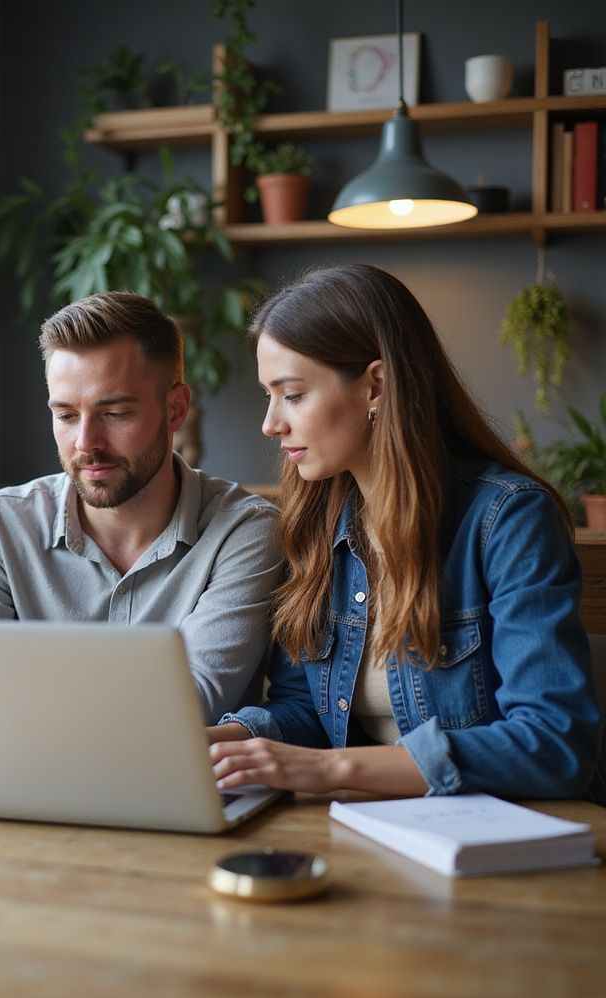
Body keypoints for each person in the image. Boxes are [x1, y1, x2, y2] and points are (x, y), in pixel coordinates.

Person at [209, 264, 602, 800]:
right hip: (369, 824)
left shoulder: (507, 519)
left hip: (501, 836)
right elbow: (304, 709)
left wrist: (334, 771)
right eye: (268, 396)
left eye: (293, 394)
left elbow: (554, 743)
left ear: (375, 385)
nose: (271, 423)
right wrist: (224, 742)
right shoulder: (315, 522)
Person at [0, 291, 283, 721]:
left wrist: (15, 701)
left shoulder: (244, 531)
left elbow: (191, 701)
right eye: (65, 416)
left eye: (115, 413)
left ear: (175, 409)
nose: (86, 444)